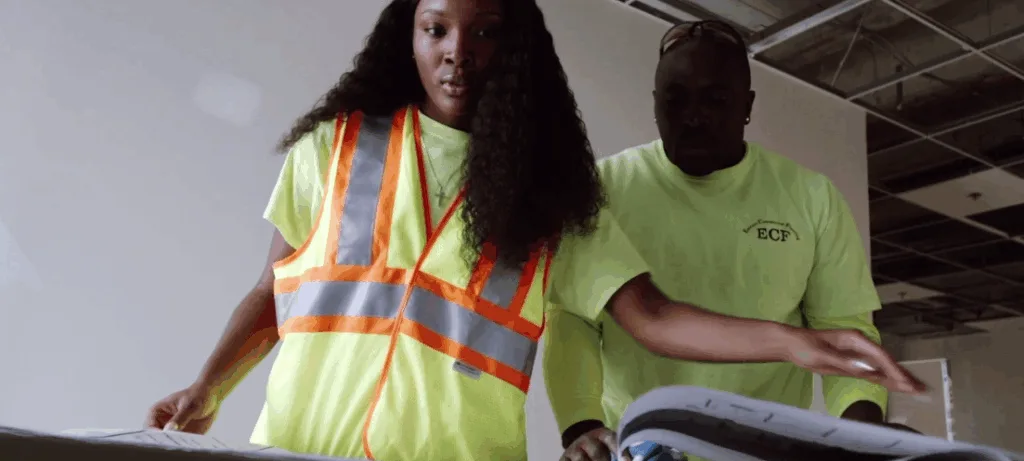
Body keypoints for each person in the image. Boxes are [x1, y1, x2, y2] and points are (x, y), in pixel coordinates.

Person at [143, 3, 922, 461]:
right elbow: (273, 291)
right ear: (407, 34)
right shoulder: (335, 148)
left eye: (482, 33)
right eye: (436, 27)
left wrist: (796, 342)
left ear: (513, 47)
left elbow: (648, 315)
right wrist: (209, 383)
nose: (456, 53)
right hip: (297, 448)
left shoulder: (550, 192)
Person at [549, 20, 919, 461]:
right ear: (654, 104)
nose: (693, 115)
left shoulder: (810, 198)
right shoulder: (600, 190)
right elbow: (573, 319)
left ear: (747, 105)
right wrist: (583, 426)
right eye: (675, 98)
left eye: (715, 99)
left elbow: (843, 332)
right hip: (640, 451)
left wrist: (862, 438)